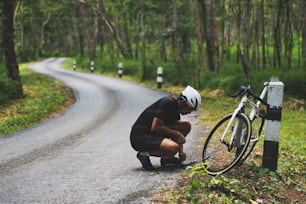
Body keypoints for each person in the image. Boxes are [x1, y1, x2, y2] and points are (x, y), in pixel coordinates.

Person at [130, 85, 201, 170]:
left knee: (186, 126)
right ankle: (143, 154)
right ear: (184, 102)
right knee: (173, 148)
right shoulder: (167, 102)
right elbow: (155, 127)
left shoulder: (176, 109)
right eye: (190, 109)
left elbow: (175, 131)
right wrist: (177, 134)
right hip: (140, 137)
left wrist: (181, 152)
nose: (189, 113)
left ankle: (167, 158)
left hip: (153, 134)